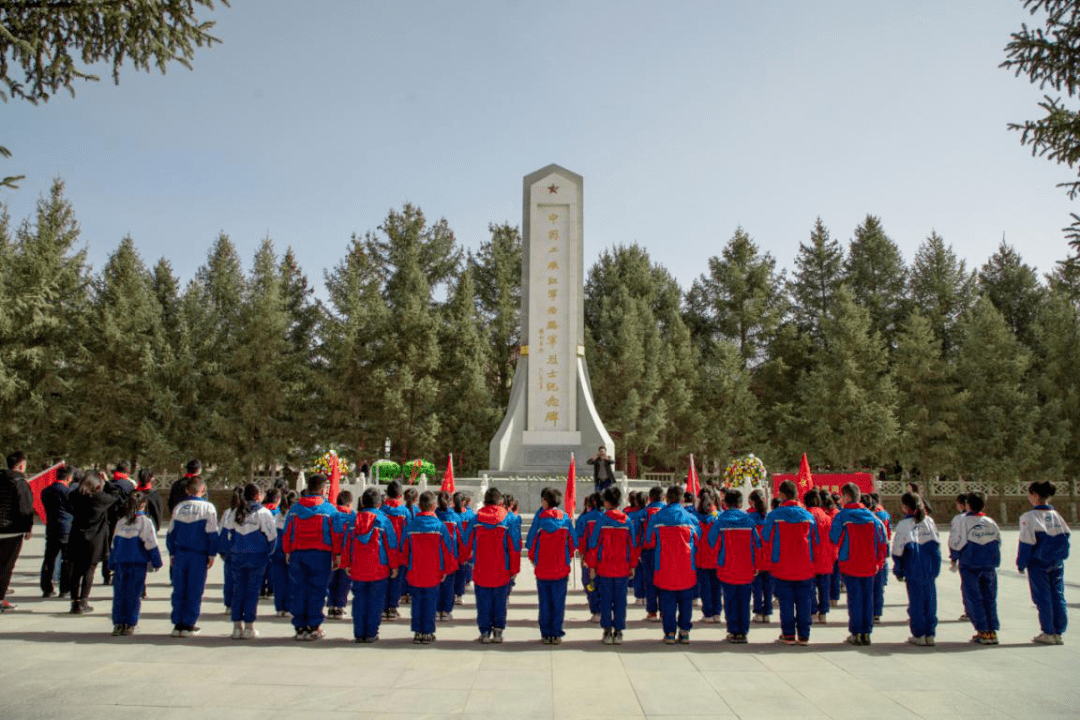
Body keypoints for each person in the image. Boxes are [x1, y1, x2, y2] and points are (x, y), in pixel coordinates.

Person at [282, 473, 338, 641]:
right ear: (322, 490)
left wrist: (287, 551)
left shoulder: (295, 509)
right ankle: (314, 626)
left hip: (298, 554)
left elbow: (287, 532)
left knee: (298, 590)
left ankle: (300, 627)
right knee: (317, 591)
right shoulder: (329, 510)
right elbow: (336, 534)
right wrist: (338, 555)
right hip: (321, 555)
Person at [830, 483, 888, 646]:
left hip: (850, 562)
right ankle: (866, 632)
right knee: (867, 597)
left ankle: (856, 632)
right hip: (869, 564)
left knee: (854, 598)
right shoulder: (871, 516)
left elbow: (833, 537)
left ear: (847, 497)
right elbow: (883, 539)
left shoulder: (842, 516)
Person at [763, 480, 819, 646]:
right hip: (805, 566)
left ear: (781, 495)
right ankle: (804, 635)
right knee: (804, 601)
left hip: (782, 565)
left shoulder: (774, 515)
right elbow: (816, 541)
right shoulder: (808, 516)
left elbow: (765, 537)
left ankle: (788, 634)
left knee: (786, 602)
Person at [645, 485, 701, 644]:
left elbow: (649, 540)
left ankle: (669, 633)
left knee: (667, 601)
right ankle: (684, 632)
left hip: (664, 565)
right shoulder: (690, 517)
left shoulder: (657, 517)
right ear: (682, 498)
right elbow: (698, 538)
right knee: (686, 601)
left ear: (666, 498)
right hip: (686, 565)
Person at [1017, 480, 1071, 645]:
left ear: (1034, 495)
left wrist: (1021, 563)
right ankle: (1058, 632)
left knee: (1043, 597)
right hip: (1057, 562)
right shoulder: (1057, 516)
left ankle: (1047, 631)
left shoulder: (1029, 517)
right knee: (1058, 595)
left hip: (1038, 563)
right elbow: (1066, 535)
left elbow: (1026, 542)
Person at [401, 490, 458, 644]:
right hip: (434, 571)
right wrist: (446, 569)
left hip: (415, 570)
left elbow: (404, 549)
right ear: (434, 506)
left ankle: (418, 632)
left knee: (417, 602)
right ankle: (427, 632)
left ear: (419, 506)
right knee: (430, 602)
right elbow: (448, 550)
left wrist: (406, 565)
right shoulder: (439, 527)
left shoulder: (411, 526)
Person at [221, 483, 276, 639]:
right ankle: (249, 627)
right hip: (257, 557)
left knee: (238, 590)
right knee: (252, 592)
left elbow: (225, 534)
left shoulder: (234, 512)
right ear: (258, 495)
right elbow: (272, 537)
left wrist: (227, 552)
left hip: (237, 555)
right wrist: (268, 553)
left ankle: (236, 627)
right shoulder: (264, 513)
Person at [342, 487, 397, 643]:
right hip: (379, 568)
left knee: (359, 600)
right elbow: (391, 545)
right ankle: (371, 633)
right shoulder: (384, 520)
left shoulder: (354, 520)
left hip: (357, 567)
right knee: (376, 602)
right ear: (379, 503)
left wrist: (346, 563)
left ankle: (359, 633)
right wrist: (394, 566)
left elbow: (346, 544)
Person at [166, 473, 218, 637]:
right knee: (194, 590)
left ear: (187, 490)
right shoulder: (208, 508)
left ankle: (177, 624)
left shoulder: (179, 508)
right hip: (198, 555)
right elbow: (212, 533)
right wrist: (212, 554)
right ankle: (189, 624)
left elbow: (170, 534)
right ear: (203, 490)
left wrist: (172, 553)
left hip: (180, 553)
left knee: (179, 589)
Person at [586, 486, 639, 645]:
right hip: (622, 568)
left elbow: (594, 544)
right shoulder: (627, 520)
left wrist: (592, 566)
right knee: (621, 601)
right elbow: (633, 545)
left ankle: (607, 631)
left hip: (605, 568)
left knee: (606, 600)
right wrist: (632, 565)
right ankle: (619, 631)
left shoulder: (602, 520)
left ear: (607, 502)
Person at [948, 491, 1002, 645]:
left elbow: (955, 541)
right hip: (989, 565)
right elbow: (998, 541)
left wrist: (954, 557)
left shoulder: (963, 521)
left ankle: (983, 630)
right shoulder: (991, 521)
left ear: (967, 505)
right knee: (990, 598)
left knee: (974, 598)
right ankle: (992, 631)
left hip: (970, 564)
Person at [470, 486, 521, 643]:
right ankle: (498, 631)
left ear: (485, 501)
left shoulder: (476, 519)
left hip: (481, 567)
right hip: (502, 568)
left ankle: (485, 632)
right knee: (500, 602)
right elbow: (515, 547)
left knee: (483, 601)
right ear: (500, 501)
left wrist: (468, 559)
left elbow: (466, 541)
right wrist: (514, 569)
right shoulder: (509, 519)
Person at [67, 470, 122, 614]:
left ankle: (74, 602)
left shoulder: (74, 496)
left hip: (76, 535)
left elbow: (70, 503)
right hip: (95, 537)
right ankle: (84, 601)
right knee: (89, 570)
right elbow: (117, 494)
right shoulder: (100, 499)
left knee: (76, 570)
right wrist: (108, 481)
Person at [109, 491, 163, 635]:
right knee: (133, 594)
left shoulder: (121, 522)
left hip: (121, 562)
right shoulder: (145, 522)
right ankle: (130, 623)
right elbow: (151, 543)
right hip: (137, 563)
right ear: (144, 505)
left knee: (119, 593)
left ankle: (118, 623)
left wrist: (111, 562)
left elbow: (114, 543)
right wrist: (157, 561)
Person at [526, 487, 574, 644]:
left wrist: (534, 558)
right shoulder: (566, 520)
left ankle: (546, 634)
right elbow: (574, 542)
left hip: (543, 569)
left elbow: (530, 542)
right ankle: (556, 633)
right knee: (559, 603)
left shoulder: (539, 520)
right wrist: (568, 556)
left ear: (546, 502)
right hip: (561, 568)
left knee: (545, 602)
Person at [891, 491, 940, 646]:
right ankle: (930, 633)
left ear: (905, 507)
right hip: (930, 567)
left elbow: (898, 549)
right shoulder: (929, 521)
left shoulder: (904, 525)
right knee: (930, 601)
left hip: (913, 567)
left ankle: (919, 634)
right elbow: (937, 545)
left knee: (916, 602)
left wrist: (898, 569)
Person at [710, 488, 759, 643]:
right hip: (746, 568)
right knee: (744, 602)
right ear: (740, 503)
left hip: (727, 567)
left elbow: (712, 542)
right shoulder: (749, 521)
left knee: (730, 601)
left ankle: (733, 631)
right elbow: (757, 543)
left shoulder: (720, 521)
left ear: (725, 503)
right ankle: (743, 632)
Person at [0, 451, 35, 612]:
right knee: (5, 566)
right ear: (21, 465)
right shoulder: (19, 482)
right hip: (11, 530)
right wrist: (28, 528)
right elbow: (24, 508)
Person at [40, 465, 74, 598]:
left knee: (49, 559)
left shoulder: (46, 491)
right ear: (69, 477)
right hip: (66, 528)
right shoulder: (68, 492)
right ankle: (65, 588)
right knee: (67, 559)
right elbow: (73, 508)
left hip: (52, 527)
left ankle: (46, 588)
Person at [804, 489, 835, 624]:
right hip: (826, 556)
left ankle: (812, 612)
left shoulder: (806, 516)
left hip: (810, 557)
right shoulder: (827, 517)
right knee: (824, 587)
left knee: (810, 587)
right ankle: (823, 613)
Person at [380, 481, 409, 620]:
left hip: (383, 551)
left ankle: (384, 607)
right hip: (400, 551)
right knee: (397, 581)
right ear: (400, 495)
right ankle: (393, 607)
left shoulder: (381, 511)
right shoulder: (405, 512)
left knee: (384, 579)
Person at [434, 491, 464, 621]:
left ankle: (435, 609)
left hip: (434, 556)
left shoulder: (434, 516)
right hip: (451, 556)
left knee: (435, 585)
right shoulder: (455, 518)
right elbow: (461, 538)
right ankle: (446, 611)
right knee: (448, 585)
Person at [574, 492, 604, 623]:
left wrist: (581, 554)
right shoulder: (607, 517)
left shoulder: (585, 518)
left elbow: (580, 537)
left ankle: (596, 610)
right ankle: (605, 610)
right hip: (605, 557)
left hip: (588, 557)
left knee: (589, 582)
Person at [326, 490, 355, 619]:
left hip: (331, 554)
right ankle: (340, 607)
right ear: (349, 503)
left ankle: (331, 606)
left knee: (332, 581)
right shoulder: (352, 517)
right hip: (346, 555)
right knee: (344, 582)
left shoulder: (332, 516)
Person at [695, 489, 722, 624]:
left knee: (705, 588)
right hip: (716, 557)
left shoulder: (696, 519)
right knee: (717, 587)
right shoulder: (718, 518)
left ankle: (708, 613)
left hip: (701, 558)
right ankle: (717, 612)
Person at [639, 486, 666, 621]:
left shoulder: (644, 512)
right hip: (665, 551)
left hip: (648, 551)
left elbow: (639, 532)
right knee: (664, 581)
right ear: (663, 497)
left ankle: (651, 612)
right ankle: (663, 611)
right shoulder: (667, 511)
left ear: (650, 498)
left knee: (649, 582)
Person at [747, 489, 773, 624]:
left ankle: (758, 612)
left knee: (757, 588)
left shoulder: (747, 518)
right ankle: (767, 613)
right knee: (768, 588)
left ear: (751, 502)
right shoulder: (769, 517)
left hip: (755, 558)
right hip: (768, 558)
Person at [269, 489, 296, 617]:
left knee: (279, 581)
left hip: (277, 551)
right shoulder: (295, 516)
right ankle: (289, 607)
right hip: (291, 551)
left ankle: (279, 608)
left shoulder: (276, 516)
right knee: (292, 580)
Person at [948, 493, 969, 620]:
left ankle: (969, 611)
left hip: (966, 558)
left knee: (968, 587)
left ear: (961, 505)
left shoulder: (959, 519)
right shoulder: (986, 520)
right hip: (986, 560)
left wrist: (954, 557)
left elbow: (954, 539)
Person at [451, 491, 473, 605]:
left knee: (451, 572)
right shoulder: (470, 515)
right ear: (464, 502)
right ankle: (459, 595)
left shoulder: (451, 515)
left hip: (452, 547)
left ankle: (451, 594)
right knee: (462, 571)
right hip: (465, 547)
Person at [135, 469, 164, 533]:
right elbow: (158, 512)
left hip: (135, 528)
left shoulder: (134, 493)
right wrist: (157, 526)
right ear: (150, 479)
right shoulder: (154, 495)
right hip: (150, 528)